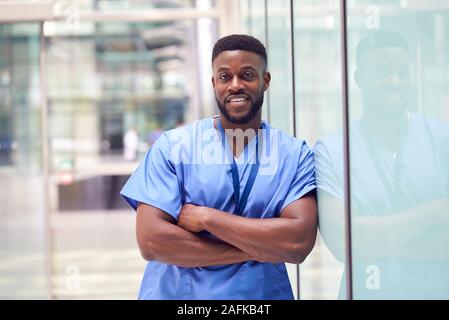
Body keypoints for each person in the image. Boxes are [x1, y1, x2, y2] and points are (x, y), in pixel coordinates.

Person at [120, 34, 318, 299]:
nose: (236, 85)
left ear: (265, 80)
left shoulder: (294, 155)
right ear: (214, 83)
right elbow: (152, 241)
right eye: (225, 77)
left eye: (247, 75)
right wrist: (255, 249)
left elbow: (297, 242)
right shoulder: (174, 147)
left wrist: (207, 218)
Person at [314, 31, 449, 299]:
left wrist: (371, 239)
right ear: (359, 79)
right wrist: (431, 213)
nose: (394, 81)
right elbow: (343, 243)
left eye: (403, 72)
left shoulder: (441, 140)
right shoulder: (332, 151)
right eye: (382, 72)